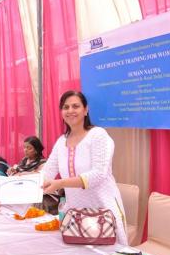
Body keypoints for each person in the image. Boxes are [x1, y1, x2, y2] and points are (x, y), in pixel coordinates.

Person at [42, 90, 128, 245]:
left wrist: (60, 183)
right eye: (66, 107)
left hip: (103, 213)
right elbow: (46, 172)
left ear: (86, 110)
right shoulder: (62, 141)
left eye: (75, 106)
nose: (70, 111)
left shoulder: (98, 135)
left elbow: (98, 175)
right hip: (75, 215)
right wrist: (14, 182)